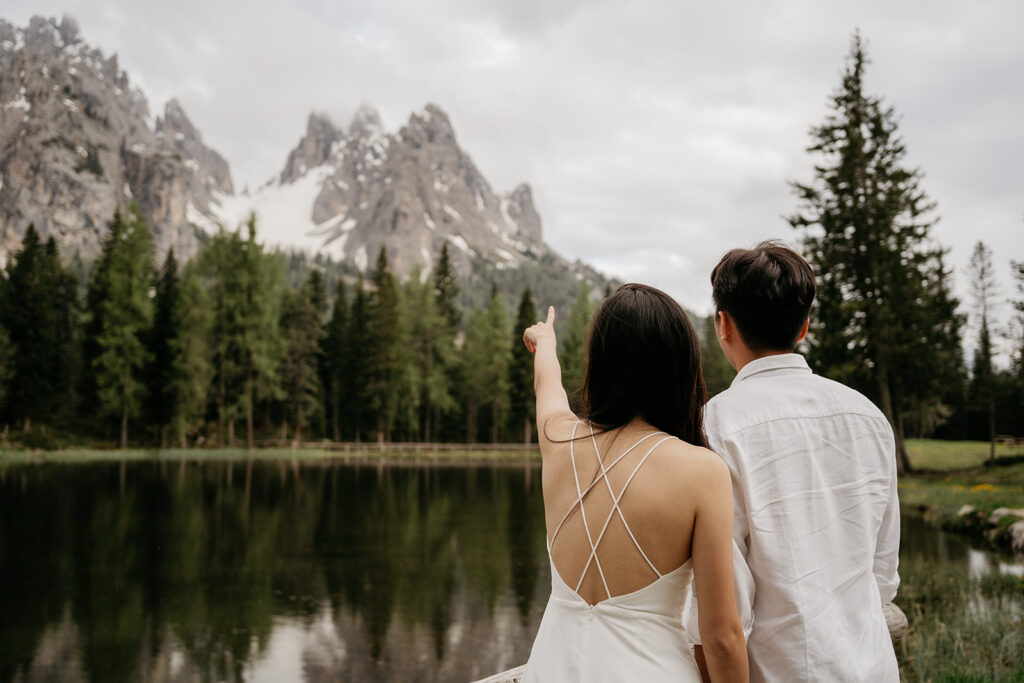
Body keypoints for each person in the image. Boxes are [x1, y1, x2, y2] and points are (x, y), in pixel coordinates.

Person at [685, 241, 900, 682]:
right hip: (872, 669)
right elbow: (883, 574)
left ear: (723, 325)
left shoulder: (713, 428)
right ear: (803, 327)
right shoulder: (868, 417)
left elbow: (719, 611)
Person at [520, 284, 748, 682]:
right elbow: (722, 638)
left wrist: (546, 343)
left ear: (601, 362)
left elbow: (548, 387)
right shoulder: (703, 472)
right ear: (680, 366)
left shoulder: (557, 440)